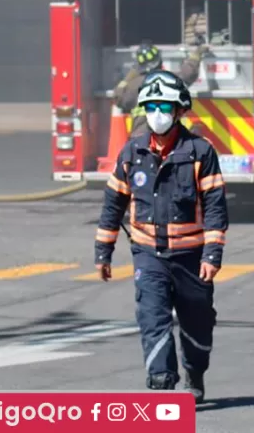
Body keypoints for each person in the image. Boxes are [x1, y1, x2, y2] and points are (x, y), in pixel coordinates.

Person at [95, 70, 228, 401]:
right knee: (152, 318)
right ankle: (162, 385)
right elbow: (113, 204)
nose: (157, 114)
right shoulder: (132, 153)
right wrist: (103, 251)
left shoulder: (200, 152)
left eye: (164, 107)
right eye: (151, 106)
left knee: (197, 323)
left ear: (180, 110)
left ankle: (194, 373)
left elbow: (215, 206)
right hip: (148, 255)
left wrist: (212, 255)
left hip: (192, 258)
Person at [113, 40, 209, 138]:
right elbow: (187, 74)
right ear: (159, 61)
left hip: (138, 140)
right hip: (163, 141)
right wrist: (196, 55)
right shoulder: (167, 79)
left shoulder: (133, 86)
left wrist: (128, 77)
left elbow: (118, 98)